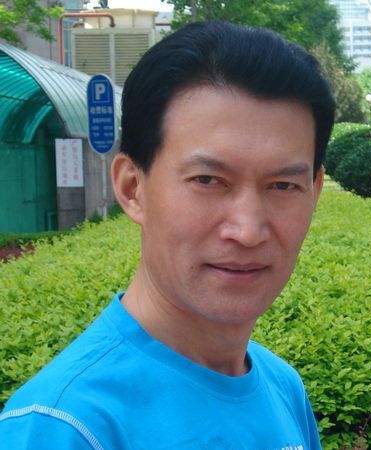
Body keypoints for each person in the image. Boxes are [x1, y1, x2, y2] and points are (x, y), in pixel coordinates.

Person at [0, 21, 335, 449]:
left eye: (283, 185)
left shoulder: (282, 386)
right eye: (208, 180)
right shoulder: (62, 428)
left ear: (314, 191)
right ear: (132, 188)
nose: (248, 231)